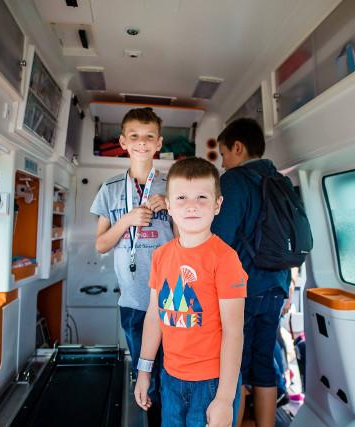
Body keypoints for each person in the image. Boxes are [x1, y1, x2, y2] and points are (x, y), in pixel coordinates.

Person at [134, 157, 247, 427]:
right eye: (182, 197)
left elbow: (234, 332)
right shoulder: (161, 256)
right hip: (170, 377)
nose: (191, 205)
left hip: (211, 382)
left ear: (217, 205)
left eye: (202, 197)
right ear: (169, 206)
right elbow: (154, 316)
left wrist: (224, 399)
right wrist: (144, 371)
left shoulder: (225, 259)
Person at [211, 118, 299, 427]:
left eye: (224, 154)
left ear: (238, 147)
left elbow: (219, 240)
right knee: (263, 366)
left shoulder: (234, 181)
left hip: (243, 290)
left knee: (234, 367)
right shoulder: (280, 180)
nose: (223, 162)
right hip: (277, 286)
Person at [90, 107, 174, 427]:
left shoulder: (173, 186)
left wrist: (172, 206)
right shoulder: (110, 188)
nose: (142, 142)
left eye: (149, 136)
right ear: (123, 142)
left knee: (173, 376)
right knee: (146, 377)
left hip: (172, 299)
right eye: (135, 136)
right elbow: (101, 244)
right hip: (134, 301)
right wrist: (126, 220)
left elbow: (190, 241)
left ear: (159, 143)